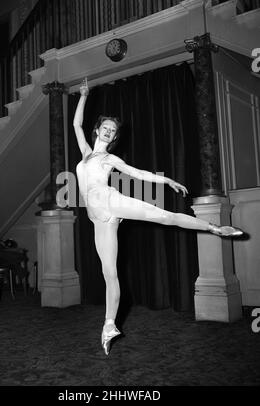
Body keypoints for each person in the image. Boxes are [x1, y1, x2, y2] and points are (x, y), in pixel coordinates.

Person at [66, 78, 243, 356]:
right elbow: (76, 124)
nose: (109, 132)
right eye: (105, 128)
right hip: (99, 221)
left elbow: (138, 174)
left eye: (113, 131)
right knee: (109, 274)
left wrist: (167, 181)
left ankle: (214, 227)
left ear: (113, 138)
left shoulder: (110, 160)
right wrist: (84, 95)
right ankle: (109, 325)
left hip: (112, 201)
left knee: (165, 216)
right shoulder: (86, 154)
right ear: (97, 130)